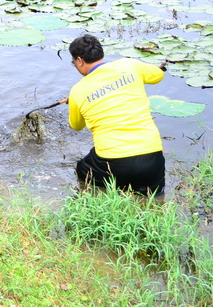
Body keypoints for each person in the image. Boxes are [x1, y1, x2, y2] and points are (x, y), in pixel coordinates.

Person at [67, 34, 168, 197]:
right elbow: (158, 75)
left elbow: (76, 126)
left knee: (82, 170)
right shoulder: (129, 65)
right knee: (154, 198)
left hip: (112, 163)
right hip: (152, 158)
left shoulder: (77, 90)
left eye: (73, 63)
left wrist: (74, 101)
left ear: (79, 60)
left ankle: (101, 198)